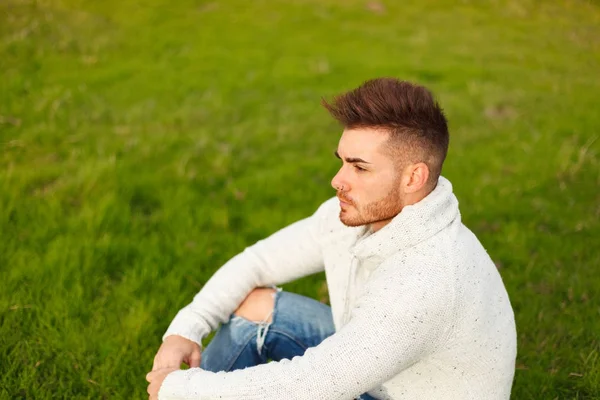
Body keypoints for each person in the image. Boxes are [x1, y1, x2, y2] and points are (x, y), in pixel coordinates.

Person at [146, 78, 517, 400]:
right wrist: (186, 328)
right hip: (378, 377)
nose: (338, 180)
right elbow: (259, 261)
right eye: (341, 161)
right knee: (255, 306)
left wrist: (182, 388)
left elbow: (314, 384)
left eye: (359, 167)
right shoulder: (354, 214)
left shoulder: (427, 279)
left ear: (413, 178)